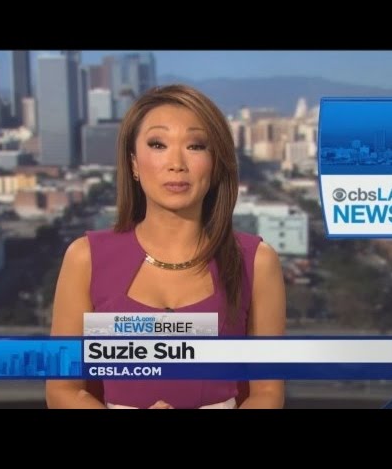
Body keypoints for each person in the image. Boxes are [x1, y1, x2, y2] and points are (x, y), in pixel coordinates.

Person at [46, 85, 286, 409]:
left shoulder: (256, 262)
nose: (176, 163)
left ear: (216, 163)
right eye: (158, 144)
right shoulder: (85, 258)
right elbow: (62, 390)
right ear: (133, 163)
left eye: (195, 146)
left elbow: (267, 393)